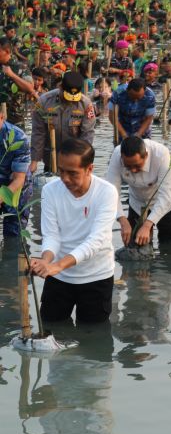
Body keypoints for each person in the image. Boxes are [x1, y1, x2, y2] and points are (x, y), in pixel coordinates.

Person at [31, 138, 117, 323]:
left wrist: (57, 265)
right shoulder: (50, 190)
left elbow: (96, 241)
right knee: (50, 329)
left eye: (72, 173)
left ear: (89, 169)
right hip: (59, 278)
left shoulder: (106, 192)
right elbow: (52, 235)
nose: (65, 178)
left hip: (96, 277)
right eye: (61, 171)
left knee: (93, 339)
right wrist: (45, 262)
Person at [106, 136, 171, 247]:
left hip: (168, 202)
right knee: (135, 243)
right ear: (122, 157)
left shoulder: (161, 154)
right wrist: (122, 220)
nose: (133, 170)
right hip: (138, 201)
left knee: (169, 242)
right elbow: (111, 192)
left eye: (137, 166)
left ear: (146, 156)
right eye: (128, 166)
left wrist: (147, 225)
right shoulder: (117, 155)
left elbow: (165, 195)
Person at [30, 71, 96, 173]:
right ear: (61, 87)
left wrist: (82, 160)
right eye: (68, 97)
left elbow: (87, 135)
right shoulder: (44, 102)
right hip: (51, 160)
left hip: (75, 162)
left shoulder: (86, 105)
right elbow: (38, 133)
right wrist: (34, 161)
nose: (71, 101)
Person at [0, 102, 33, 237]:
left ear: (2, 117)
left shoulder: (17, 137)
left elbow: (19, 179)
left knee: (14, 234)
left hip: (15, 187)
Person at [0, 36, 35, 126]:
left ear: (7, 51)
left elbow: (30, 88)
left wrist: (12, 75)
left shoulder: (20, 67)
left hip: (14, 120)